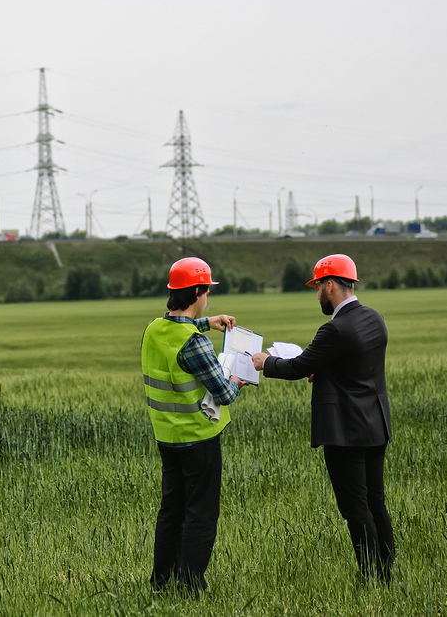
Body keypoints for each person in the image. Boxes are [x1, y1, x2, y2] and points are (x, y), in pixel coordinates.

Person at [251, 253, 395, 583]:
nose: (316, 294)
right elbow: (356, 367)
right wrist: (327, 371)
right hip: (377, 424)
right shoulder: (375, 318)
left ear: (329, 285)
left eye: (317, 287)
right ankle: (386, 572)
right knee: (376, 503)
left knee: (355, 510)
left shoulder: (334, 330)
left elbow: (298, 366)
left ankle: (371, 577)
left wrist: (265, 362)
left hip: (345, 431)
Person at [141, 257, 248, 595]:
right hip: (198, 438)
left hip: (167, 437)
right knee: (200, 514)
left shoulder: (153, 329)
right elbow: (225, 393)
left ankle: (161, 581)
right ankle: (190, 586)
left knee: (171, 510)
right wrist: (237, 377)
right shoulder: (195, 343)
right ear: (199, 291)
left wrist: (206, 322)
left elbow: (178, 330)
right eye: (207, 291)